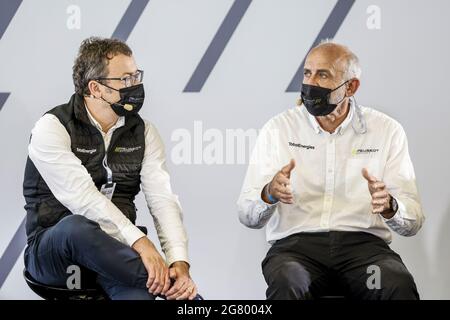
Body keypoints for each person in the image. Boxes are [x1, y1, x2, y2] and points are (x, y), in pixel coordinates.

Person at [238, 40, 424, 300]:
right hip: (297, 251)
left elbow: (413, 220)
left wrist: (391, 206)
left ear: (351, 86)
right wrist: (269, 193)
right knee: (288, 280)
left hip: (364, 253)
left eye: (322, 75)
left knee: (394, 282)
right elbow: (247, 215)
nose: (310, 83)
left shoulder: (386, 130)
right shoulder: (278, 129)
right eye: (307, 73)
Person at [23, 37, 198, 300]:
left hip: (117, 256)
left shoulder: (145, 132)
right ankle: (176, 290)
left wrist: (178, 263)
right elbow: (82, 198)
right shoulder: (52, 127)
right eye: (125, 79)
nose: (135, 85)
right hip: (55, 254)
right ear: (95, 88)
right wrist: (141, 243)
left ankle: (168, 281)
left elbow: (163, 200)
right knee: (76, 228)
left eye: (137, 76)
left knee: (142, 294)